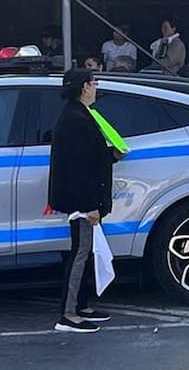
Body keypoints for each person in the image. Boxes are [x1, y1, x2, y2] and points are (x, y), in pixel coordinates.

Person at [48, 68, 116, 334]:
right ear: (85, 86)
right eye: (94, 82)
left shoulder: (78, 115)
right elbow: (79, 168)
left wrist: (110, 156)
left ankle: (82, 305)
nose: (96, 87)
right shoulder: (76, 119)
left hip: (85, 198)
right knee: (80, 252)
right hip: (82, 201)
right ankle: (68, 313)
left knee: (85, 251)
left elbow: (92, 154)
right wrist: (90, 206)